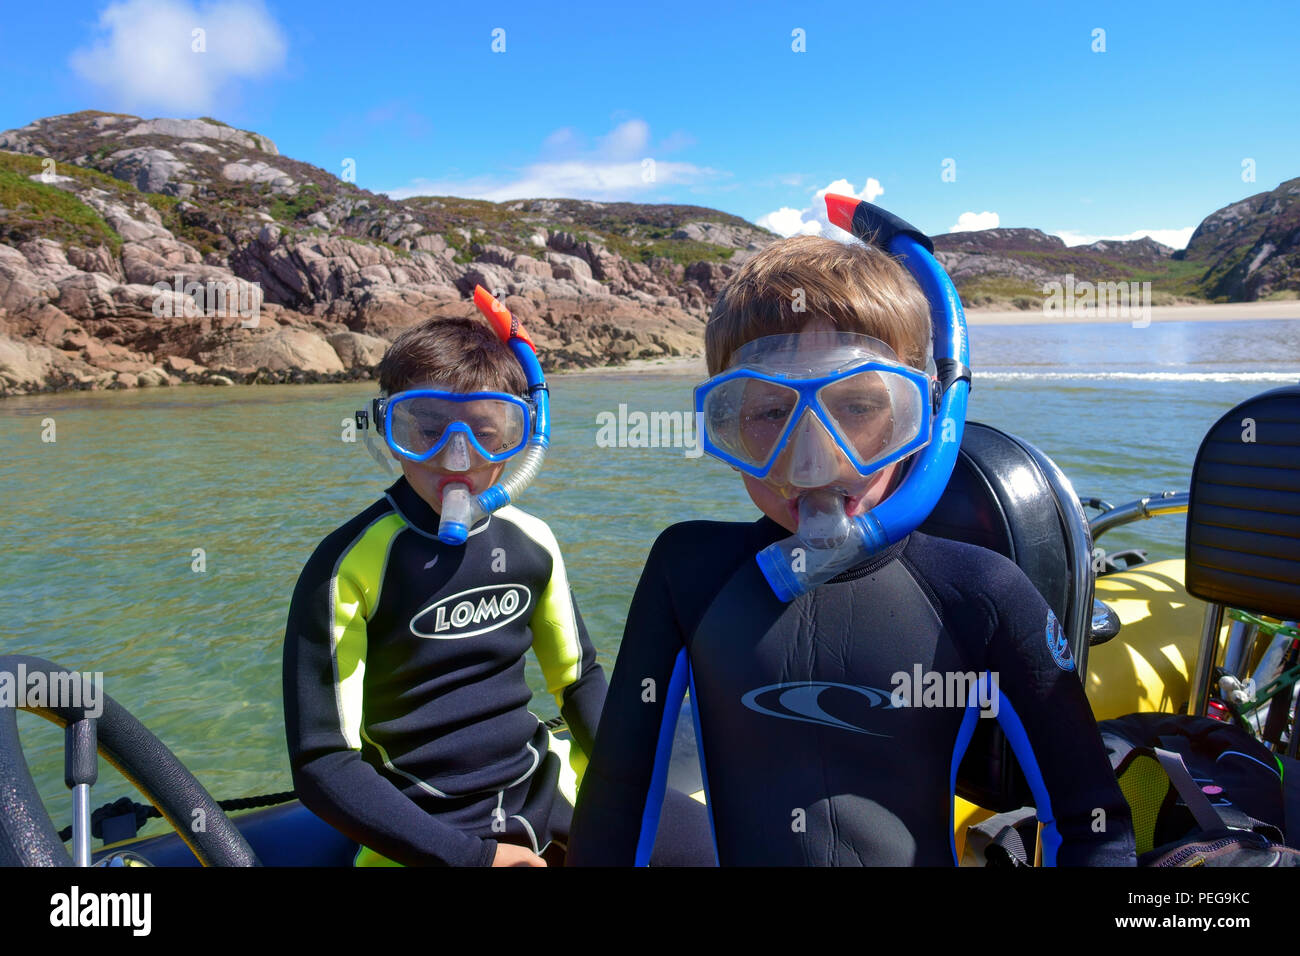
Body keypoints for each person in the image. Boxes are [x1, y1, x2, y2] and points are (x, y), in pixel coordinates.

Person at [567, 198, 1137, 866]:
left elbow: (1094, 828)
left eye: (860, 408)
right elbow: (619, 795)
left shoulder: (981, 592)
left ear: (921, 418)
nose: (813, 462)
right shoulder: (687, 572)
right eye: (771, 412)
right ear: (725, 421)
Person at [282, 287, 604, 866]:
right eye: (426, 429)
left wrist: (626, 788)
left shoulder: (533, 540)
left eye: (487, 431)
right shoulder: (348, 566)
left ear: (523, 438)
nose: (458, 457)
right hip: (426, 825)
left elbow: (580, 683)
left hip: (546, 791)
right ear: (386, 427)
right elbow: (323, 763)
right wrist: (474, 860)